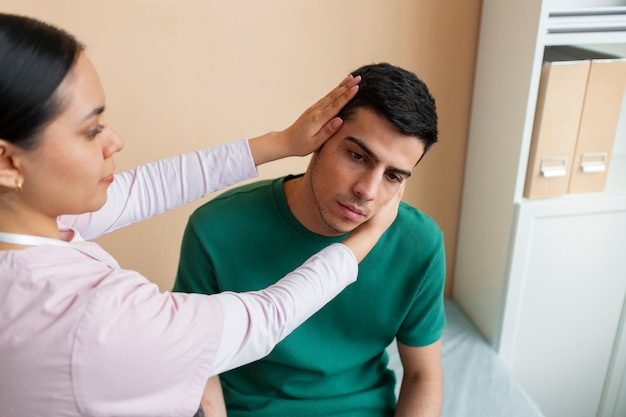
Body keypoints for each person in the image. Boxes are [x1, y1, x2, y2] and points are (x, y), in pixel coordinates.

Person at [0, 13, 404, 417]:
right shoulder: (97, 318)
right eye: (91, 131)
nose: (115, 141)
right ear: (9, 163)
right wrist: (365, 239)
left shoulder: (31, 219)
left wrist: (282, 142)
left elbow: (147, 187)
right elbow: (265, 318)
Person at [174, 62, 446, 417]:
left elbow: (424, 375)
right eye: (357, 156)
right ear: (322, 135)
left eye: (393, 176)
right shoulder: (215, 228)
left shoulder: (419, 244)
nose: (367, 190)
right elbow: (199, 362)